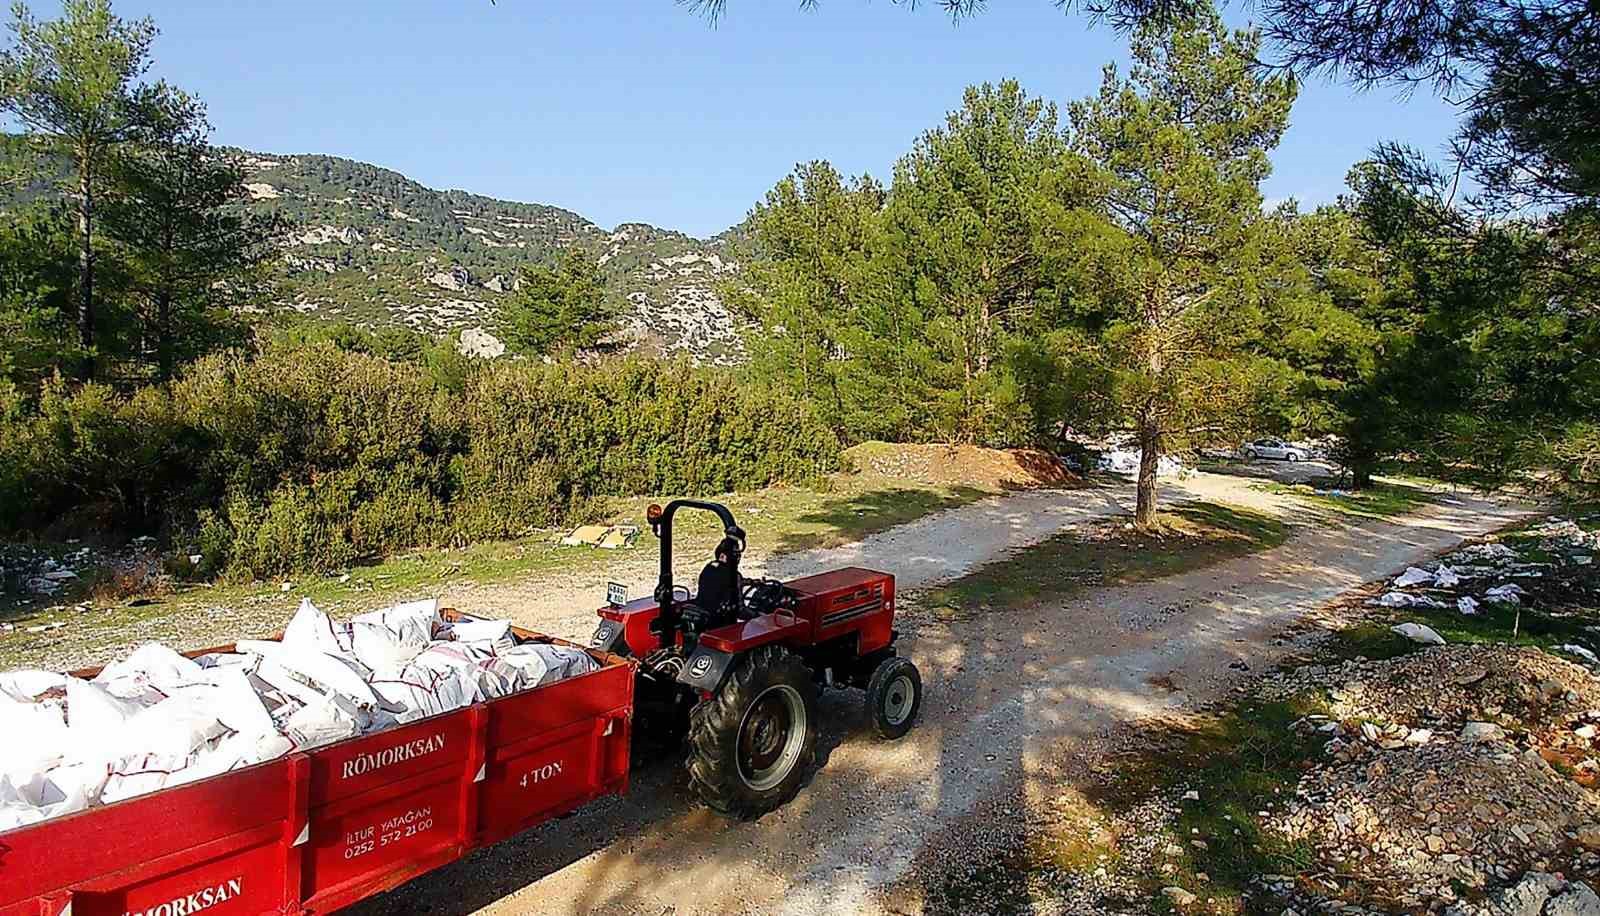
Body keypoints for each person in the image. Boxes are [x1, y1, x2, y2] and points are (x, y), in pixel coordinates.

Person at [694, 536, 743, 626]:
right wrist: (758, 616)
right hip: (719, 622)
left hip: (702, 614)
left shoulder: (708, 568)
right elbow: (740, 610)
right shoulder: (734, 576)